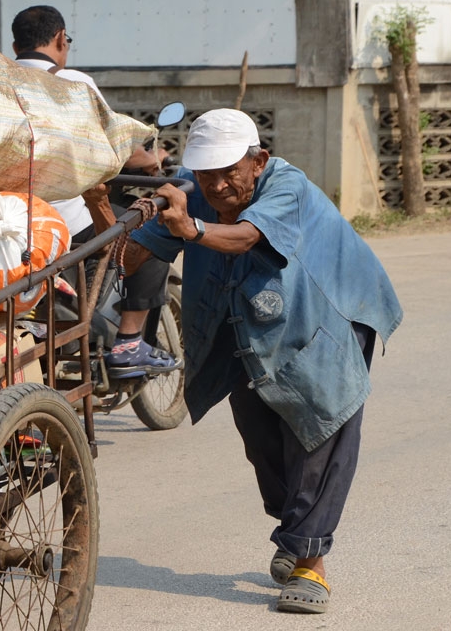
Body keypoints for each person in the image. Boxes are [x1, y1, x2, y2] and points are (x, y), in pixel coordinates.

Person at [124, 108, 403, 614]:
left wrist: (189, 229)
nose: (217, 185)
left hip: (329, 314)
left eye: (229, 172)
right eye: (206, 174)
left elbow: (247, 237)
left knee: (318, 426)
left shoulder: (285, 186)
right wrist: (111, 209)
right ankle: (295, 532)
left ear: (259, 161)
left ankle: (311, 563)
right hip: (253, 325)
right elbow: (131, 255)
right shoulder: (191, 191)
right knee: (260, 434)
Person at [9, 4, 175, 376]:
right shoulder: (74, 83)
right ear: (59, 39)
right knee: (157, 231)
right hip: (62, 223)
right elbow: (114, 145)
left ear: (15, 44)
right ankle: (129, 342)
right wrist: (149, 161)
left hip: (3, 217)